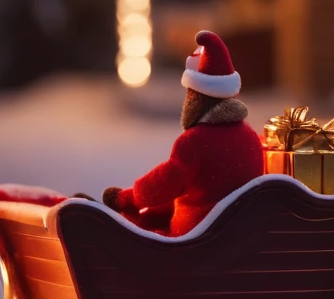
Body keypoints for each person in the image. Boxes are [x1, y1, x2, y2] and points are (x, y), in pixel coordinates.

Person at [102, 31, 264, 236]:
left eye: (189, 93)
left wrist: (130, 197)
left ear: (197, 97)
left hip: (198, 233)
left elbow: (166, 183)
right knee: (155, 214)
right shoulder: (249, 136)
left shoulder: (194, 142)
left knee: (142, 228)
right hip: (238, 232)